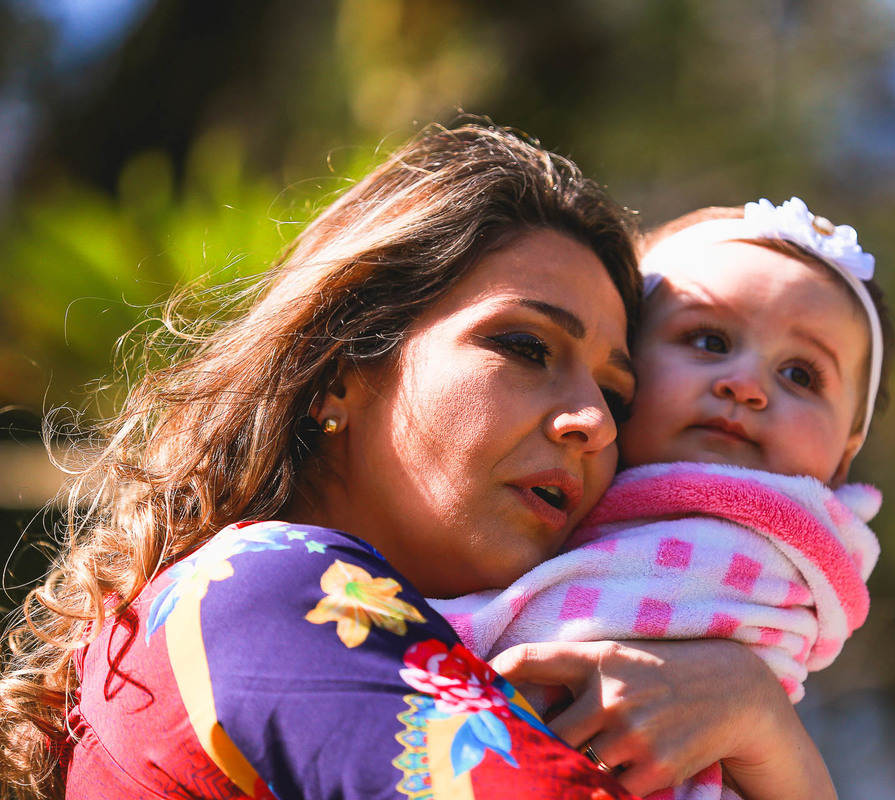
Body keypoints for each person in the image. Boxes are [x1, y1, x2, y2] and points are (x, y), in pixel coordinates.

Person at [0, 125, 836, 800]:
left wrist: (763, 723)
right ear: (338, 370)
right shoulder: (262, 590)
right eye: (525, 346)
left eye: (618, 398)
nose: (591, 423)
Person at [431, 197, 895, 799]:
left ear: (844, 455)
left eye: (801, 375)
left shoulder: (776, 549)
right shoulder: (544, 489)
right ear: (620, 368)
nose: (746, 385)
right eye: (707, 339)